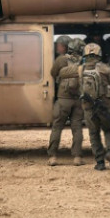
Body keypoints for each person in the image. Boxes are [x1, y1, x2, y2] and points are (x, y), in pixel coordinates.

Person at [79, 42, 110, 171]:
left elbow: (79, 88)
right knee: (109, 130)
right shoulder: (105, 69)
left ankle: (99, 162)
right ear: (99, 54)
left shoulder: (81, 69)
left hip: (89, 108)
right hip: (106, 107)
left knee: (94, 134)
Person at [48, 38, 85, 166]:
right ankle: (77, 157)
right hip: (78, 100)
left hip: (63, 99)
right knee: (77, 128)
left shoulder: (61, 59)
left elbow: (52, 73)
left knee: (57, 127)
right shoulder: (84, 62)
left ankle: (53, 157)